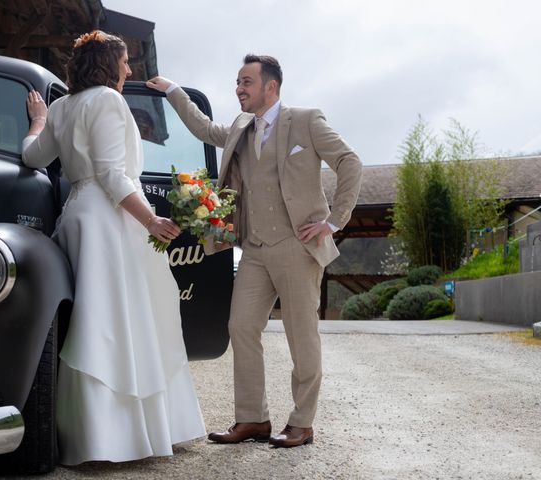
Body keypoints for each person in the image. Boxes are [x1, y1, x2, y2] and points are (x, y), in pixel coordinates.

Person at [147, 54, 362, 448]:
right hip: (255, 250)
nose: (239, 89)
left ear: (271, 86)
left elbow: (350, 161)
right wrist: (174, 92)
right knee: (241, 326)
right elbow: (205, 128)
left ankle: (302, 423)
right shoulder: (242, 128)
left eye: (246, 82)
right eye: (237, 82)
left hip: (298, 247)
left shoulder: (306, 120)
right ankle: (252, 419)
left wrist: (334, 221)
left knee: (302, 335)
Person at [22, 30, 205, 464]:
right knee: (122, 320)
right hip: (110, 220)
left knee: (96, 320)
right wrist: (151, 219)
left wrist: (37, 122)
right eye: (124, 62)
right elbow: (111, 173)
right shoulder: (106, 99)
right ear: (108, 64)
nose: (128, 70)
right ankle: (123, 436)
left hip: (78, 217)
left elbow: (33, 157)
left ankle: (94, 433)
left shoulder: (62, 107)